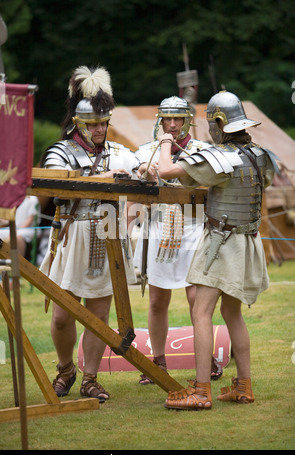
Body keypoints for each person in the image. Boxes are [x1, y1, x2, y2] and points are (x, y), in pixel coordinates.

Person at [157, 90, 279, 410]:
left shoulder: (221, 157)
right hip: (247, 240)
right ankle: (243, 385)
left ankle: (200, 390)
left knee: (201, 312)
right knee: (231, 312)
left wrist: (165, 142)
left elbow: (166, 172)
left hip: (221, 244)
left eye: (212, 123)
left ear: (220, 123)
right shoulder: (260, 155)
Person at [39, 66, 140, 402]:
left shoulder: (118, 151)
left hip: (109, 231)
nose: (99, 129)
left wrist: (148, 166)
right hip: (74, 233)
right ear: (79, 124)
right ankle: (66, 368)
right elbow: (57, 187)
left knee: (99, 314)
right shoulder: (61, 152)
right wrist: (105, 176)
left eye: (103, 123)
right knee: (63, 315)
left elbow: (141, 167)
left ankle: (91, 378)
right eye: (93, 124)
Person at [135, 96, 222, 384]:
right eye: (167, 119)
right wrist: (145, 173)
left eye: (178, 119)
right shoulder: (148, 151)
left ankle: (205, 357)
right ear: (160, 120)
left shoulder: (202, 151)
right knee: (158, 300)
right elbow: (142, 180)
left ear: (188, 120)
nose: (172, 125)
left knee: (197, 299)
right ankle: (157, 362)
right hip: (160, 230)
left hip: (194, 228)